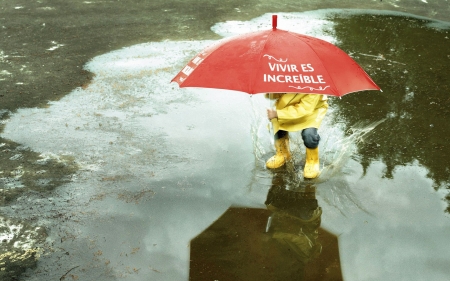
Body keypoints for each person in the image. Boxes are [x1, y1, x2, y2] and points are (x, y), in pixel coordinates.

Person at [265, 93, 328, 178]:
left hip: (311, 111)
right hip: (287, 108)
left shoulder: (314, 88)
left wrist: (278, 114)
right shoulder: (284, 80)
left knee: (309, 134)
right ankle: (283, 154)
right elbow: (273, 96)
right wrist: (272, 92)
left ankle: (312, 161)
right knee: (276, 124)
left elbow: (304, 109)